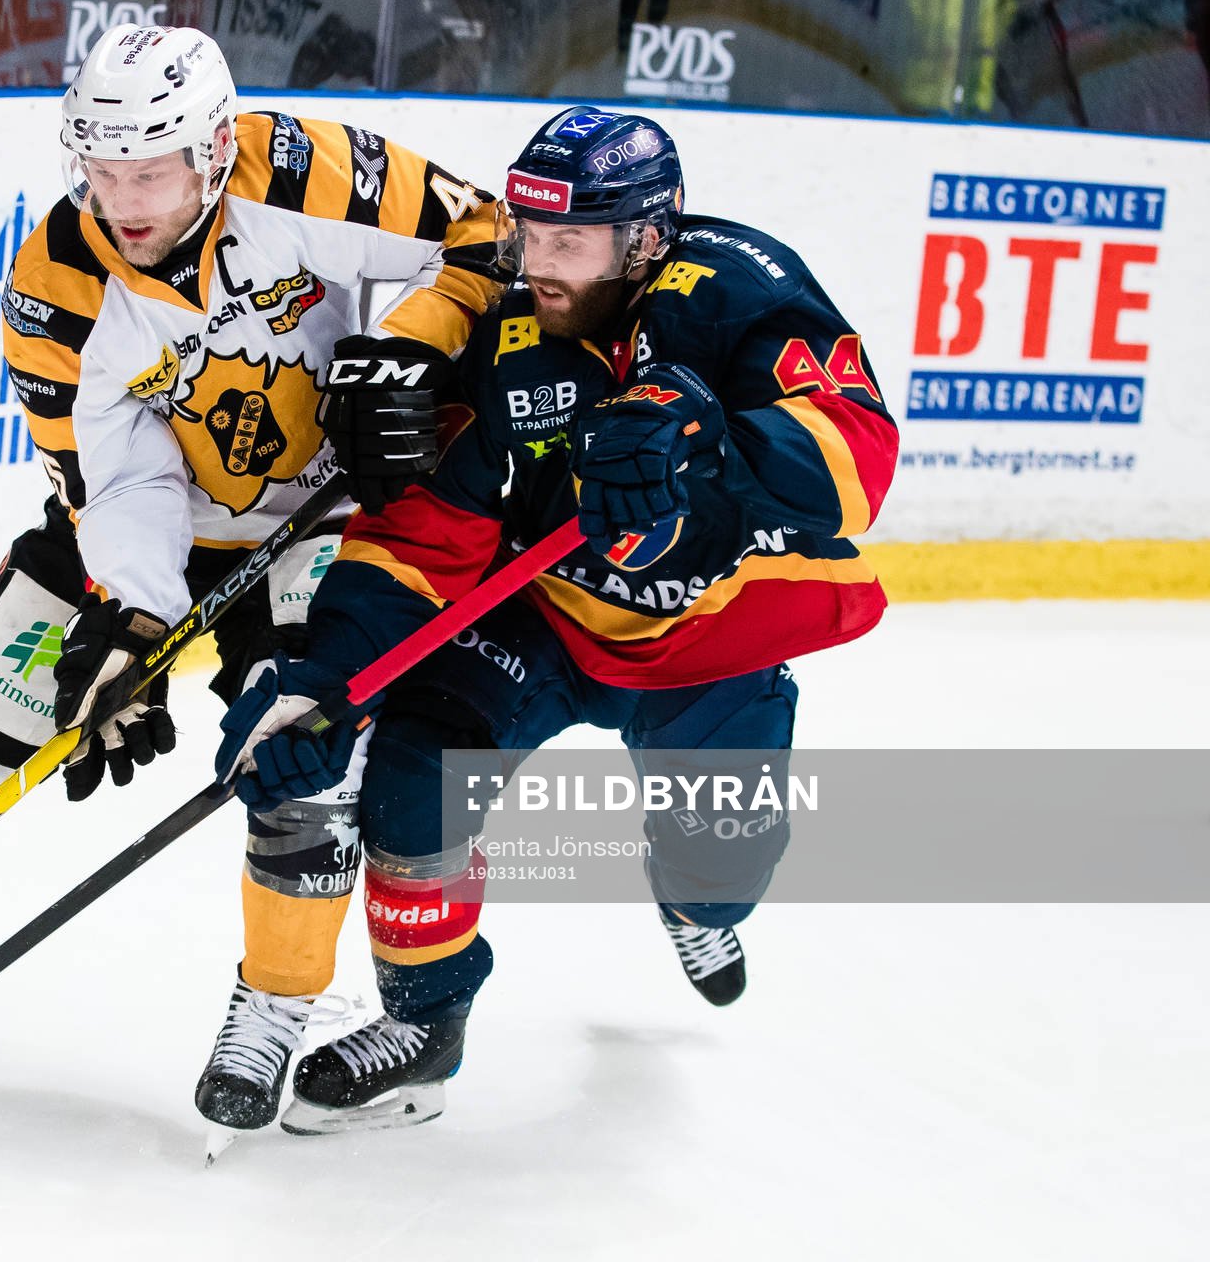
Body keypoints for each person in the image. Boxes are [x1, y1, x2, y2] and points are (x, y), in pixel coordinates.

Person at [0, 24, 508, 1134]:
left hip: (322, 522)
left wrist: (407, 351)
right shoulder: (56, 285)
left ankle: (272, 1009)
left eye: (150, 168)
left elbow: (483, 240)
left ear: (216, 147)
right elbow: (115, 481)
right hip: (144, 527)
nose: (121, 196)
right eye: (102, 167)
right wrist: (139, 618)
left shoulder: (311, 172)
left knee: (299, 764)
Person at [216, 106, 898, 1133]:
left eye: (569, 242)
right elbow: (421, 537)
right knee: (413, 771)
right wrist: (326, 681)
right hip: (543, 620)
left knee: (723, 874)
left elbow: (856, 463)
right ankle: (427, 1024)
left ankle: (694, 899)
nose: (537, 262)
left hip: (709, 641)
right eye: (531, 235)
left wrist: (701, 441)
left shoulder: (742, 291)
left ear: (648, 239)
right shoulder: (514, 332)